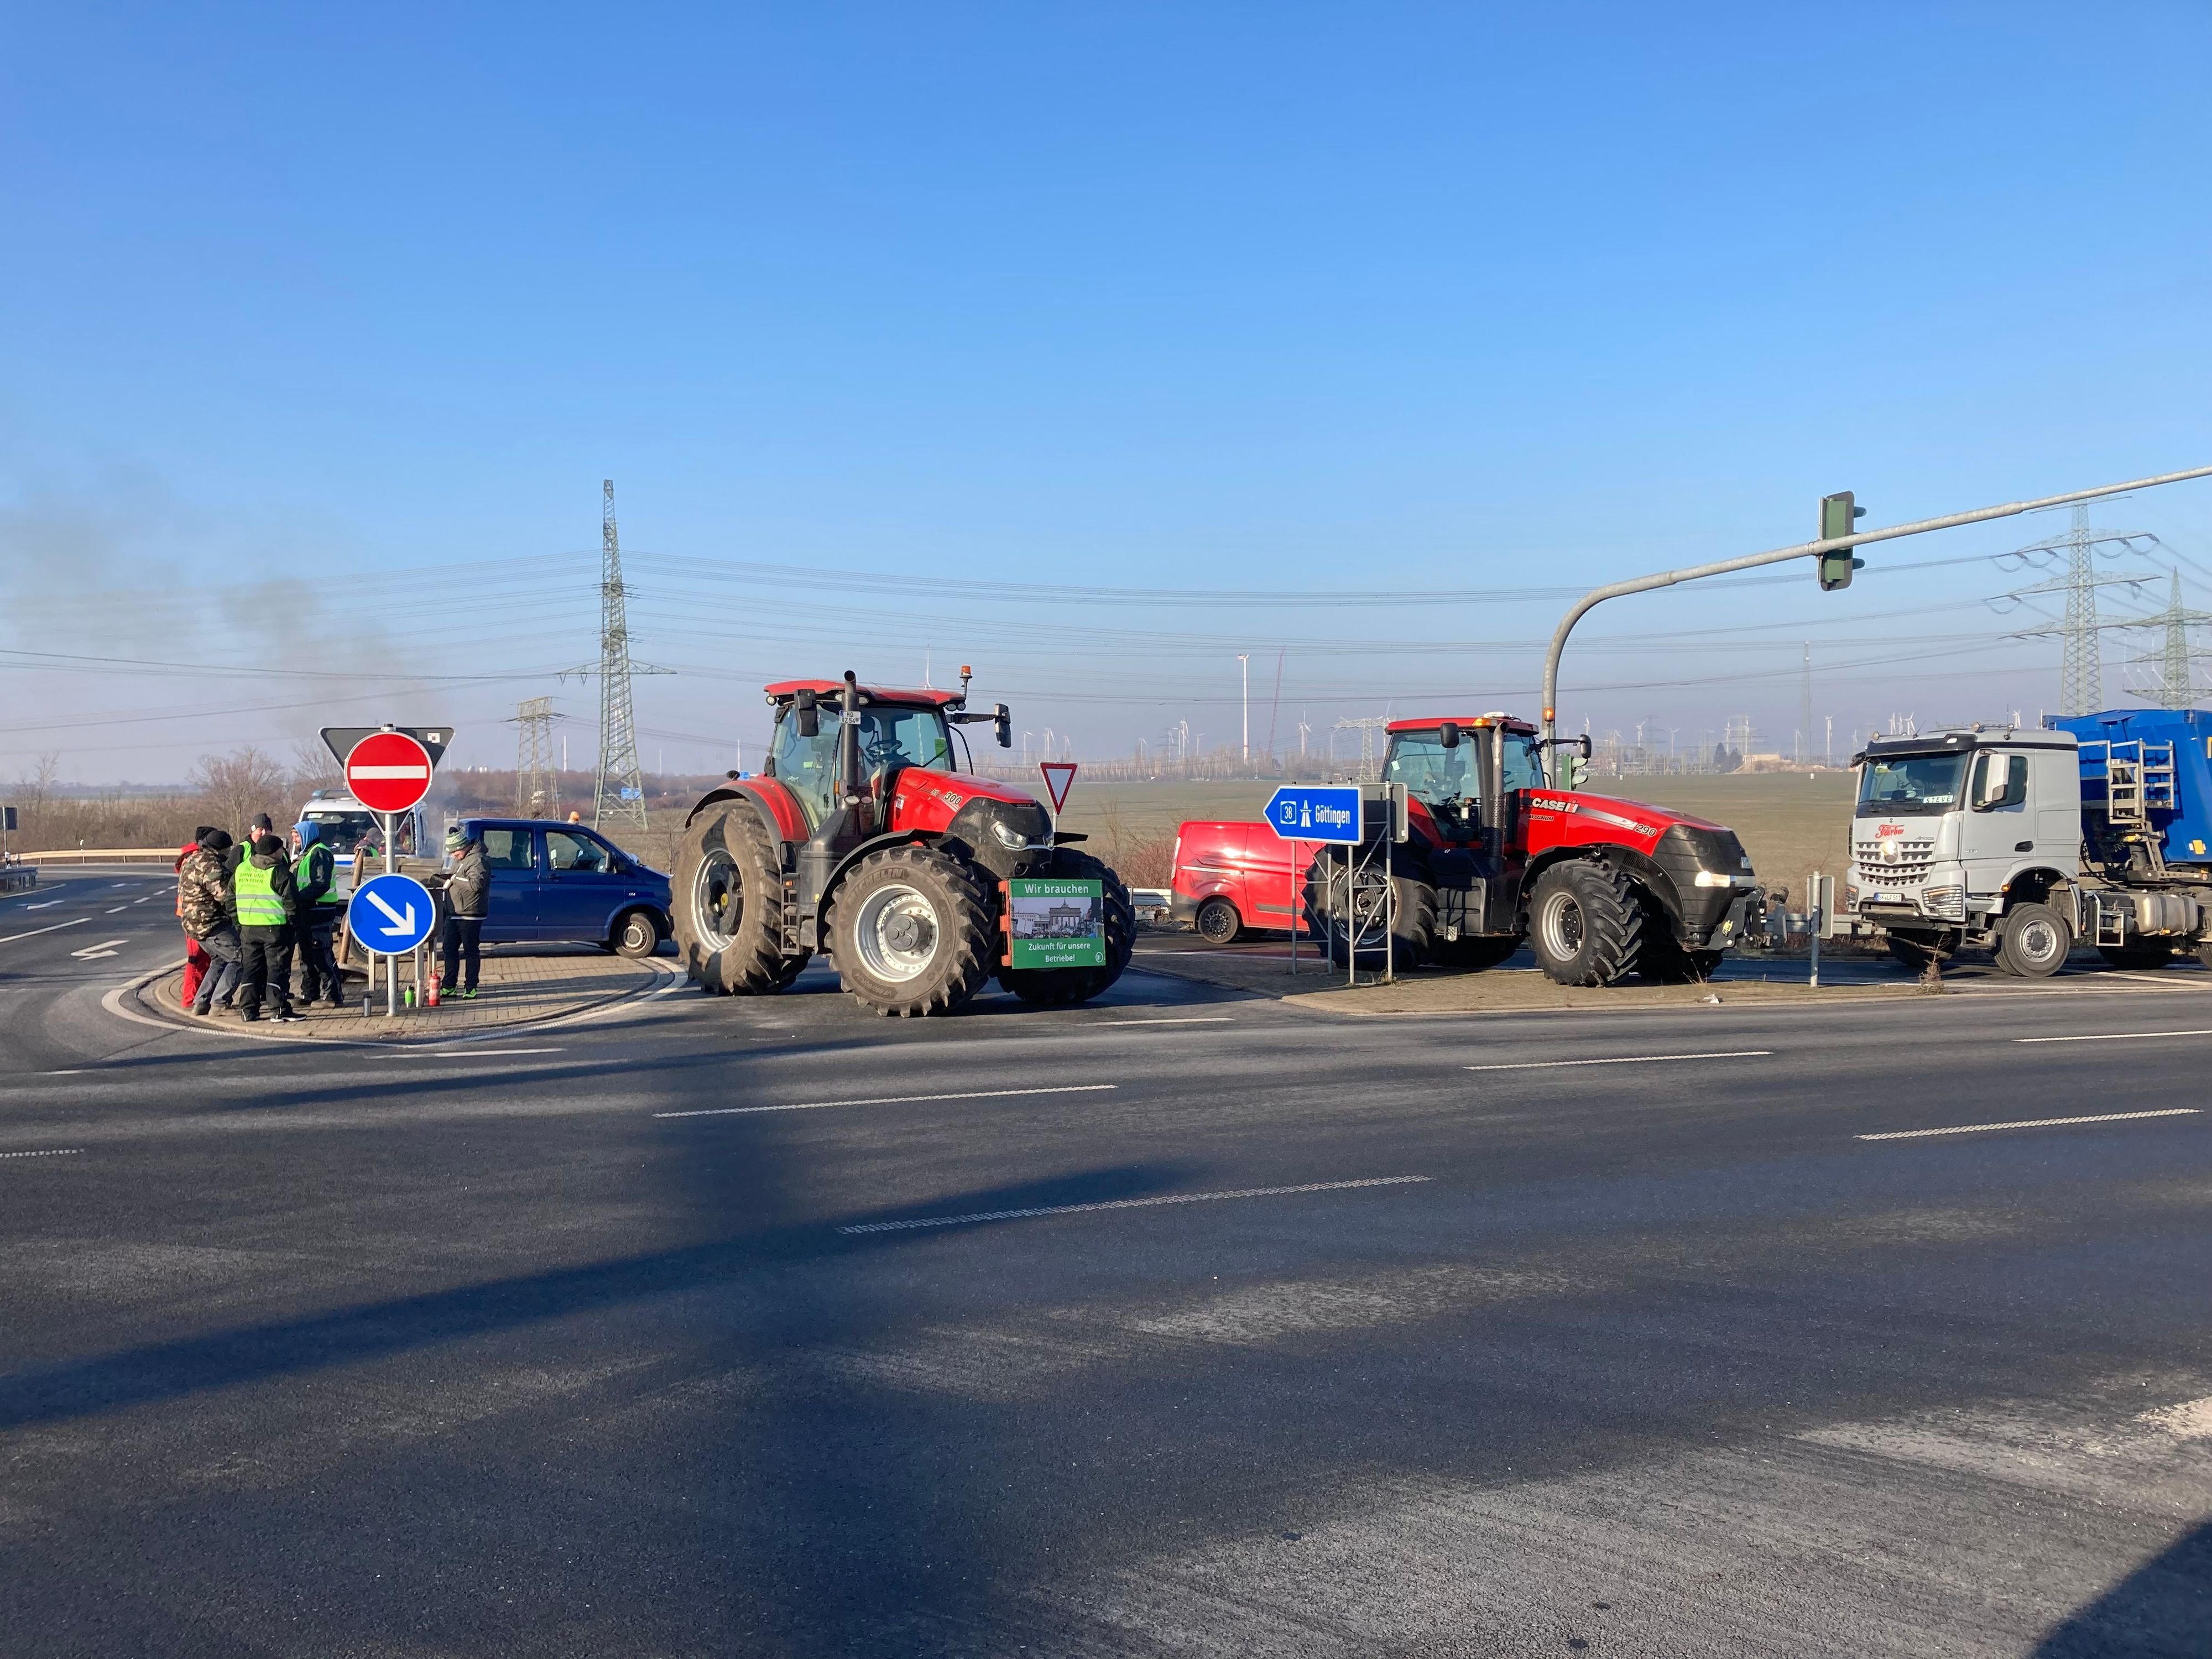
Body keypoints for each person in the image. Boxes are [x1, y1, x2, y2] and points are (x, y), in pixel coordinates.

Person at [233, 832, 302, 1022]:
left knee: (251, 969)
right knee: (277, 970)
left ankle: (248, 1010)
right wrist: (293, 925)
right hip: (274, 928)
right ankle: (279, 1009)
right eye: (281, 848)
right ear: (273, 852)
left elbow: (230, 898)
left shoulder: (242, 869)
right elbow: (292, 903)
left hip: (248, 928)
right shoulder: (278, 871)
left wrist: (237, 921)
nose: (283, 851)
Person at [180, 830, 243, 1016]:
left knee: (220, 959)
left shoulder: (192, 860)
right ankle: (220, 1002)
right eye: (227, 849)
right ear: (220, 849)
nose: (229, 853)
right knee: (239, 957)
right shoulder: (212, 865)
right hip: (211, 923)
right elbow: (224, 896)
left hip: (192, 924)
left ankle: (202, 1002)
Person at [291, 820, 344, 1009]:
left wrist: (298, 898)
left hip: (319, 910)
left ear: (307, 835)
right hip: (307, 910)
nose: (294, 840)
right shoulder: (306, 854)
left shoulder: (320, 853)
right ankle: (310, 994)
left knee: (320, 954)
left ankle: (332, 996)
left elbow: (320, 884)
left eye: (296, 835)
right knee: (306, 955)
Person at [441, 825, 488, 999]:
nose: (453, 855)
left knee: (470, 950)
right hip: (454, 912)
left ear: (463, 847)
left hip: (470, 913)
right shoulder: (461, 860)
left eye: (455, 852)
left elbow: (476, 885)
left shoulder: (478, 860)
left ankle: (471, 987)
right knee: (449, 949)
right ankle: (449, 986)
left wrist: (453, 879)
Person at [175, 826, 216, 1008]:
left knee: (203, 959)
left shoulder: (191, 856)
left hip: (192, 914)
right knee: (196, 959)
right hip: (194, 915)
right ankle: (190, 999)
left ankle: (197, 997)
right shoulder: (194, 859)